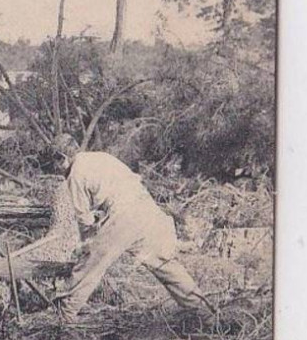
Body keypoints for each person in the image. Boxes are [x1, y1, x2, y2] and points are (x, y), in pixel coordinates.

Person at [45, 134, 212, 324]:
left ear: (62, 158)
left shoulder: (75, 174)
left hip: (124, 214)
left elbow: (84, 219)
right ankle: (203, 311)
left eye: (56, 165)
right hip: (146, 207)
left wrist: (86, 244)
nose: (58, 170)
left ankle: (63, 316)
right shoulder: (101, 157)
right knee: (164, 263)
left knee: (92, 263)